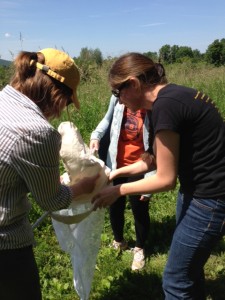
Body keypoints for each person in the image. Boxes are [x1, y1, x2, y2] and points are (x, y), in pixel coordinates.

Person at [91, 52, 225, 299]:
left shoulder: (166, 106)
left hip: (210, 199)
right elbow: (151, 160)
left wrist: (117, 190)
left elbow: (165, 179)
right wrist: (116, 173)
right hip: (195, 192)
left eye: (117, 92)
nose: (118, 102)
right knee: (189, 272)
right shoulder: (168, 100)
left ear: (133, 83)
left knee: (175, 282)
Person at [0, 48, 99, 300]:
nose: (62, 110)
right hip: (6, 246)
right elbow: (50, 201)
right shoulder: (37, 132)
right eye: (67, 102)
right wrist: (83, 187)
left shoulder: (4, 101)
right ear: (57, 94)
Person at [90, 94, 154, 271]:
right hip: (116, 163)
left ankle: (139, 248)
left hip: (141, 166)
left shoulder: (151, 105)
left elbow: (156, 144)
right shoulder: (117, 99)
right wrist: (96, 136)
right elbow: (107, 119)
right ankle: (119, 241)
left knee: (139, 206)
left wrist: (150, 179)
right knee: (115, 205)